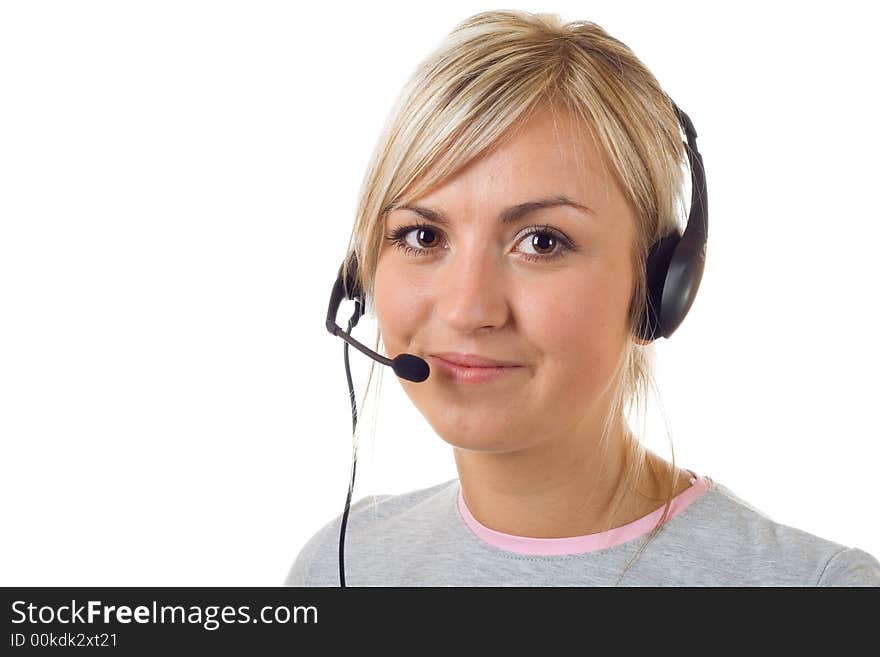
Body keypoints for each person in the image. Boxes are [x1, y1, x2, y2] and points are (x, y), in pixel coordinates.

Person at [285, 9, 880, 586]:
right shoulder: (342, 566)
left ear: (658, 285)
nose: (467, 309)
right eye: (423, 235)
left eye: (541, 242)